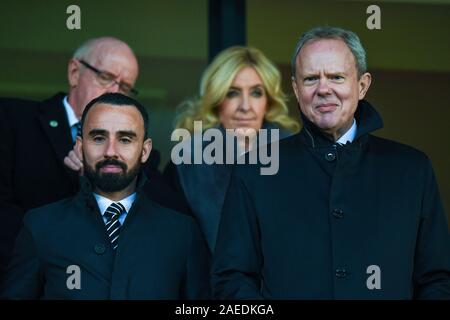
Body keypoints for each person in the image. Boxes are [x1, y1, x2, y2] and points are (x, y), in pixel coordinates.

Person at [212, 26, 450, 299]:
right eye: (311, 79)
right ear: (296, 89)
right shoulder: (254, 170)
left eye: (336, 77)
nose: (323, 89)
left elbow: (436, 279)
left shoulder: (412, 170)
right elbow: (232, 278)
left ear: (362, 85)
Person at [1, 93, 210, 299]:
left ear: (145, 151)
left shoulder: (182, 233)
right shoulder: (40, 225)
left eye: (125, 139)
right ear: (80, 146)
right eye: (99, 138)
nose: (111, 151)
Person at [0, 37, 167, 276]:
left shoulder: (140, 157)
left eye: (126, 87)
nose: (114, 91)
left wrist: (97, 177)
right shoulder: (12, 120)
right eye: (106, 78)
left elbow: (161, 220)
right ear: (74, 72)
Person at [165, 46, 300, 253]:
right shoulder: (187, 163)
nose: (245, 106)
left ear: (268, 101)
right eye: (233, 93)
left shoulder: (297, 157)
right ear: (217, 100)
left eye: (256, 92)